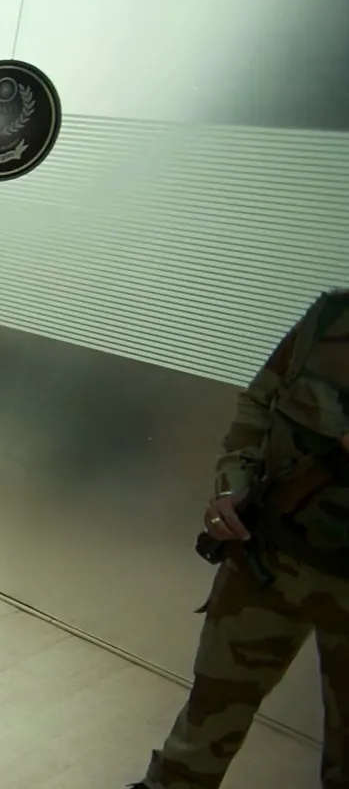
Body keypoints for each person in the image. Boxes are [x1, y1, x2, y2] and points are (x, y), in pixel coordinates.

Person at [134, 290, 349, 789]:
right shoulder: (330, 317)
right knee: (209, 712)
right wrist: (231, 487)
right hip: (266, 559)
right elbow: (258, 403)